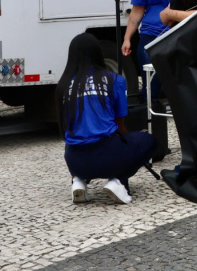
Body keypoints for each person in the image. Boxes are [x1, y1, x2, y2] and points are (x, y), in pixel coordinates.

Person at [57, 33, 156, 204]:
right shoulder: (114, 80)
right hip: (108, 155)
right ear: (98, 53)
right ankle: (117, 181)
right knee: (149, 141)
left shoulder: (64, 86)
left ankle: (77, 181)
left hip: (74, 159)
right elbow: (119, 125)